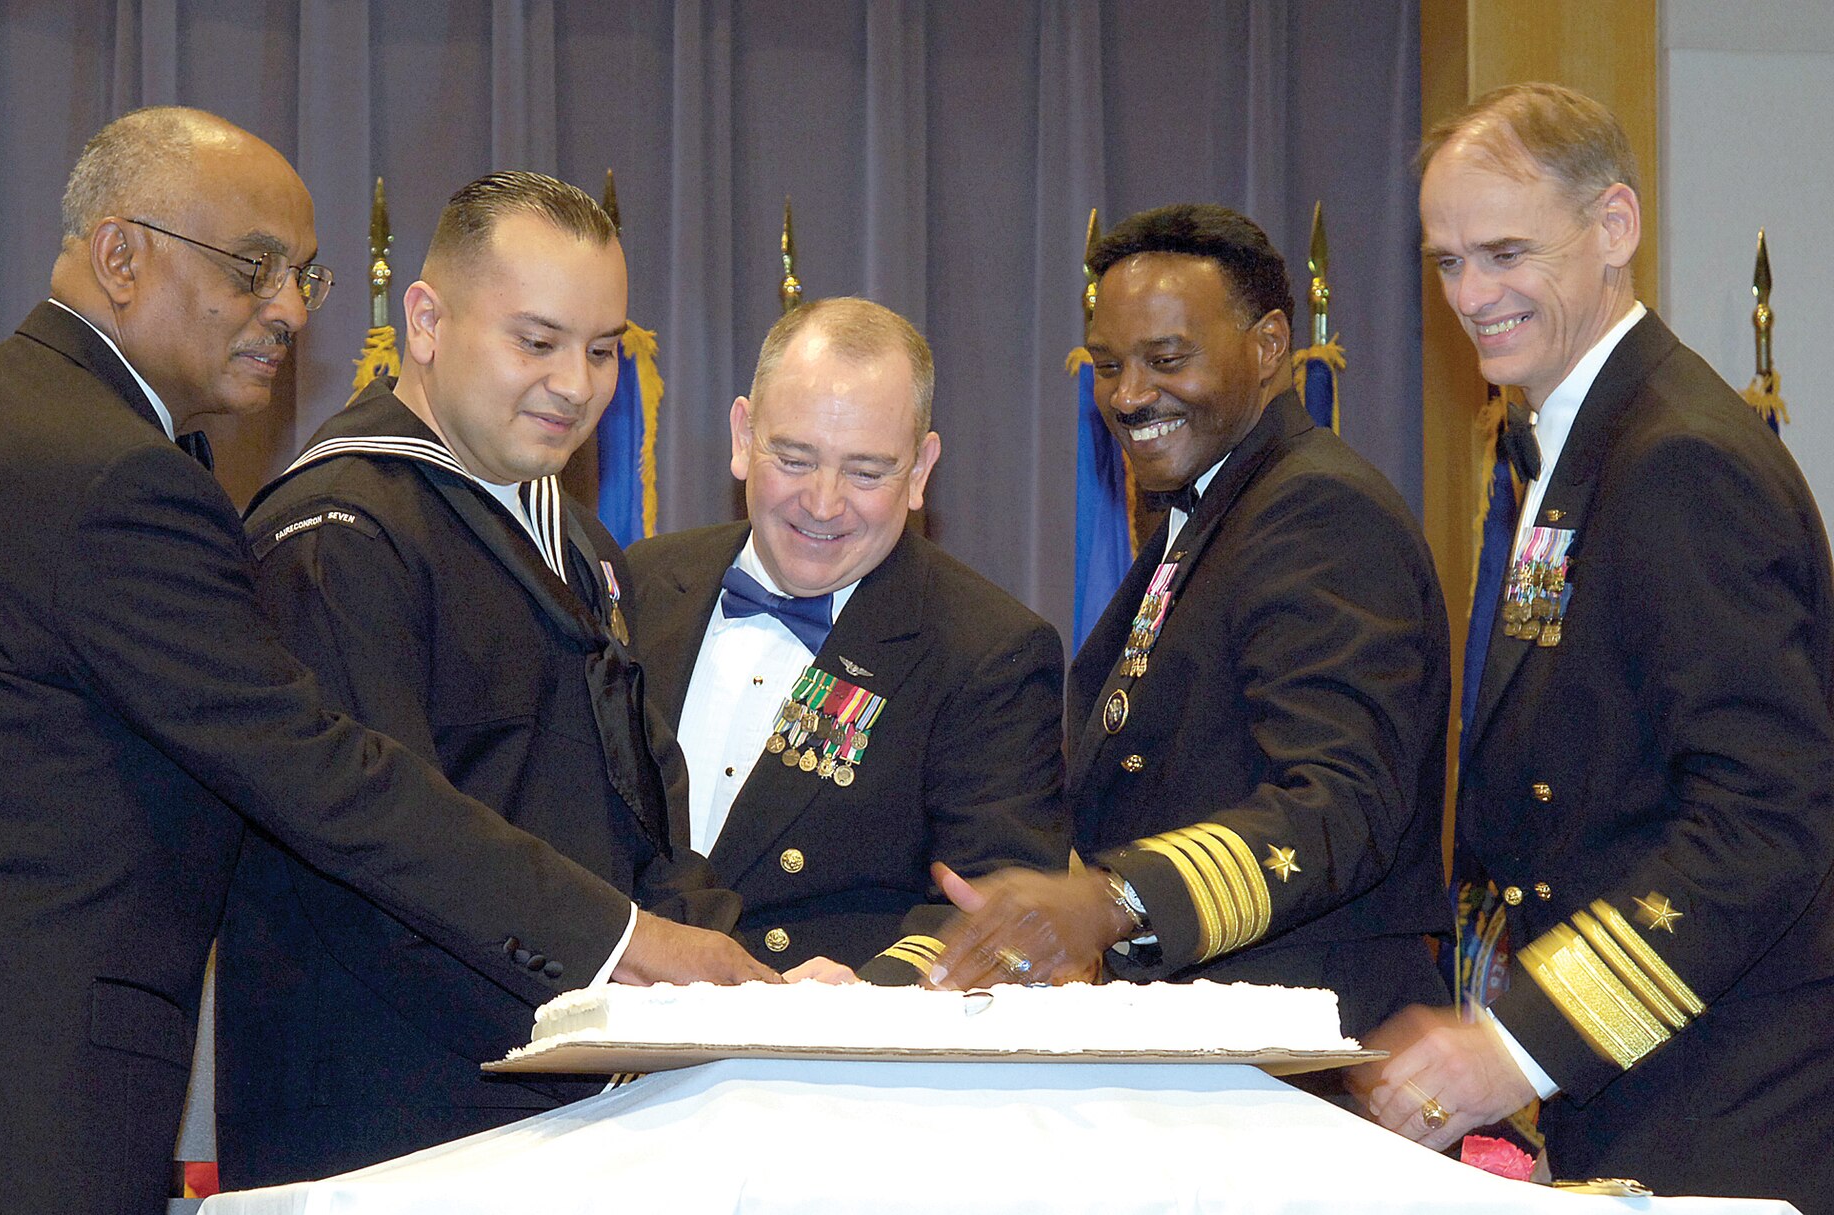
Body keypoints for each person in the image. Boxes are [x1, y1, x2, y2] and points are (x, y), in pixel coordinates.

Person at [0, 109, 769, 1215]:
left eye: (301, 276)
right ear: (120, 257)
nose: (285, 309)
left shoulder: (9, 420)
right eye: (251, 267)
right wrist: (631, 950)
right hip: (19, 1078)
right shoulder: (115, 474)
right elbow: (322, 774)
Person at [217, 172, 761, 1186]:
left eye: (602, 350)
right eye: (536, 340)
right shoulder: (339, 532)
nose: (575, 383)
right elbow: (380, 849)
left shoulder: (579, 544)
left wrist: (734, 975)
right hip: (393, 1130)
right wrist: (634, 960)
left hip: (566, 1115)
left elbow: (641, 813)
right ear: (425, 321)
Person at [1357, 84, 1834, 1209]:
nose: (1471, 295)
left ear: (1612, 228)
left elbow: (1763, 818)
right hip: (1628, 1072)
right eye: (1445, 262)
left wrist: (1514, 1044)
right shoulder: (1574, 443)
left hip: (1722, 1095)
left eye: (1504, 252)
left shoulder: (1676, 459)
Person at [927, 205, 1451, 1045]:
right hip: (1221, 1041)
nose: (1130, 396)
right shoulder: (1207, 513)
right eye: (1107, 365)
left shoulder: (1316, 508)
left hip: (1317, 1056)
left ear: (1272, 344)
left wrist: (1114, 899)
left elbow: (1342, 801)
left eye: (1167, 360)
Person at [625, 297, 1071, 981]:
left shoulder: (988, 651)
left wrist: (864, 998)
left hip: (831, 1072)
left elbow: (996, 915)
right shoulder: (637, 586)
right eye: (796, 458)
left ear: (920, 471)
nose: (824, 503)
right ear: (743, 437)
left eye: (866, 471)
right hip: (614, 1048)